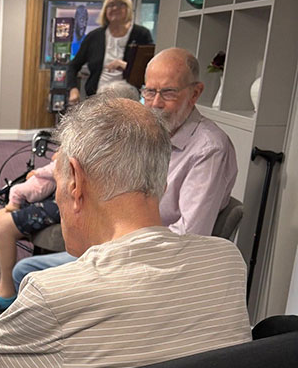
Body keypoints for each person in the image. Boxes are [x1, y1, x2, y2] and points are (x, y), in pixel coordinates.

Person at [0, 96, 251, 368]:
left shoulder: (53, 293)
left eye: (59, 180)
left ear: (74, 181)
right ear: (161, 182)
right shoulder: (226, 262)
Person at [12, 47, 238, 284]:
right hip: (117, 244)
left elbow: (189, 237)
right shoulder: (151, 132)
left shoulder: (209, 149)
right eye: (150, 92)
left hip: (148, 267)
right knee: (28, 270)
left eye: (168, 93)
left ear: (195, 93)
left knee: (28, 274)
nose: (156, 104)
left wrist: (113, 250)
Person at [0, 81, 142, 313]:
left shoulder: (125, 146)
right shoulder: (98, 137)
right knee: (0, 215)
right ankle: (6, 285)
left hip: (77, 203)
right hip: (61, 195)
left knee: (3, 224)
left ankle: (7, 291)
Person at [66, 0, 153, 105]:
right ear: (105, 10)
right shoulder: (94, 37)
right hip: (97, 98)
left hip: (128, 99)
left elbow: (149, 69)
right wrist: (73, 89)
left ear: (128, 8)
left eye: (121, 4)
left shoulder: (142, 34)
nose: (115, 8)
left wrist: (125, 66)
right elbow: (73, 65)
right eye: (111, 5)